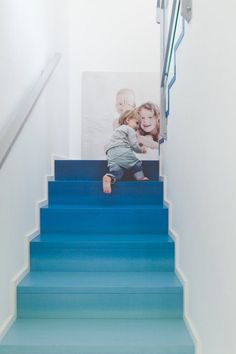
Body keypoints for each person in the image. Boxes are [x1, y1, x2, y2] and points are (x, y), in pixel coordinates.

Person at [103, 109, 148, 194]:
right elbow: (134, 145)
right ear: (128, 120)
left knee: (117, 172)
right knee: (136, 163)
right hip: (122, 151)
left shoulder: (118, 130)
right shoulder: (129, 129)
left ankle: (109, 177)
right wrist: (141, 150)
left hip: (111, 154)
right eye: (137, 123)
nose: (138, 126)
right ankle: (140, 178)